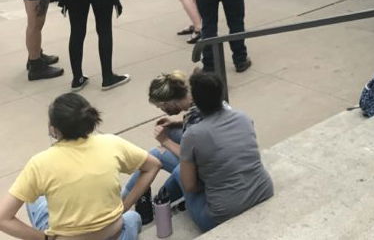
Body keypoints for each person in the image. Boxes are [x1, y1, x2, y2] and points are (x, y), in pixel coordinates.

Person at [0, 93, 160, 240]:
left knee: (33, 199)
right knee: (133, 218)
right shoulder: (112, 143)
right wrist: (124, 207)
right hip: (115, 234)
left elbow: (3, 218)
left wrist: (46, 239)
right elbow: (153, 165)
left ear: (54, 129)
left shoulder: (40, 163)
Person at [178, 71, 273, 232]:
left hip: (223, 214)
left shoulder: (192, 135)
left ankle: (158, 203)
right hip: (263, 191)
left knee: (176, 173)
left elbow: (190, 186)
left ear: (194, 100)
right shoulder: (243, 117)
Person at [121, 71, 201, 204]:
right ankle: (166, 195)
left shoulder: (194, 117)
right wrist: (177, 123)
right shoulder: (199, 99)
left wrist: (165, 141)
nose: (163, 111)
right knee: (171, 131)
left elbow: (193, 158)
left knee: (157, 153)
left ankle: (126, 197)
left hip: (206, 169)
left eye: (162, 107)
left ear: (169, 102)